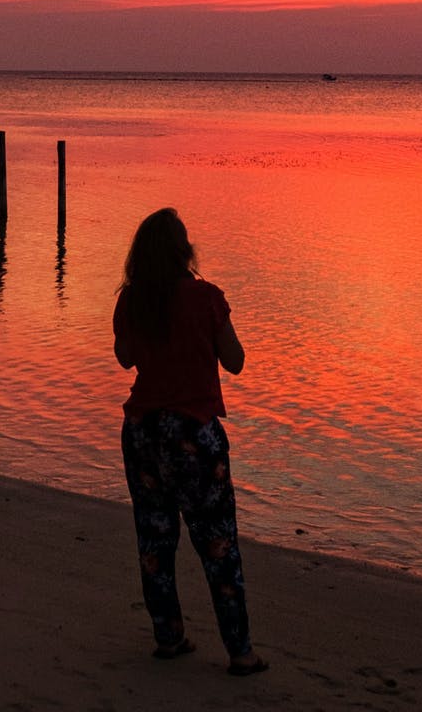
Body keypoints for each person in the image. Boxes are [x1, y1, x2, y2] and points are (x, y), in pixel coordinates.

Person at [112, 207, 268, 677]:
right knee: (217, 542)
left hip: (143, 433)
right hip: (192, 435)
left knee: (155, 539)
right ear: (185, 252)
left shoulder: (132, 300)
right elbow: (236, 361)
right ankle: (239, 652)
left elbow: (124, 358)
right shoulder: (206, 299)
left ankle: (170, 637)